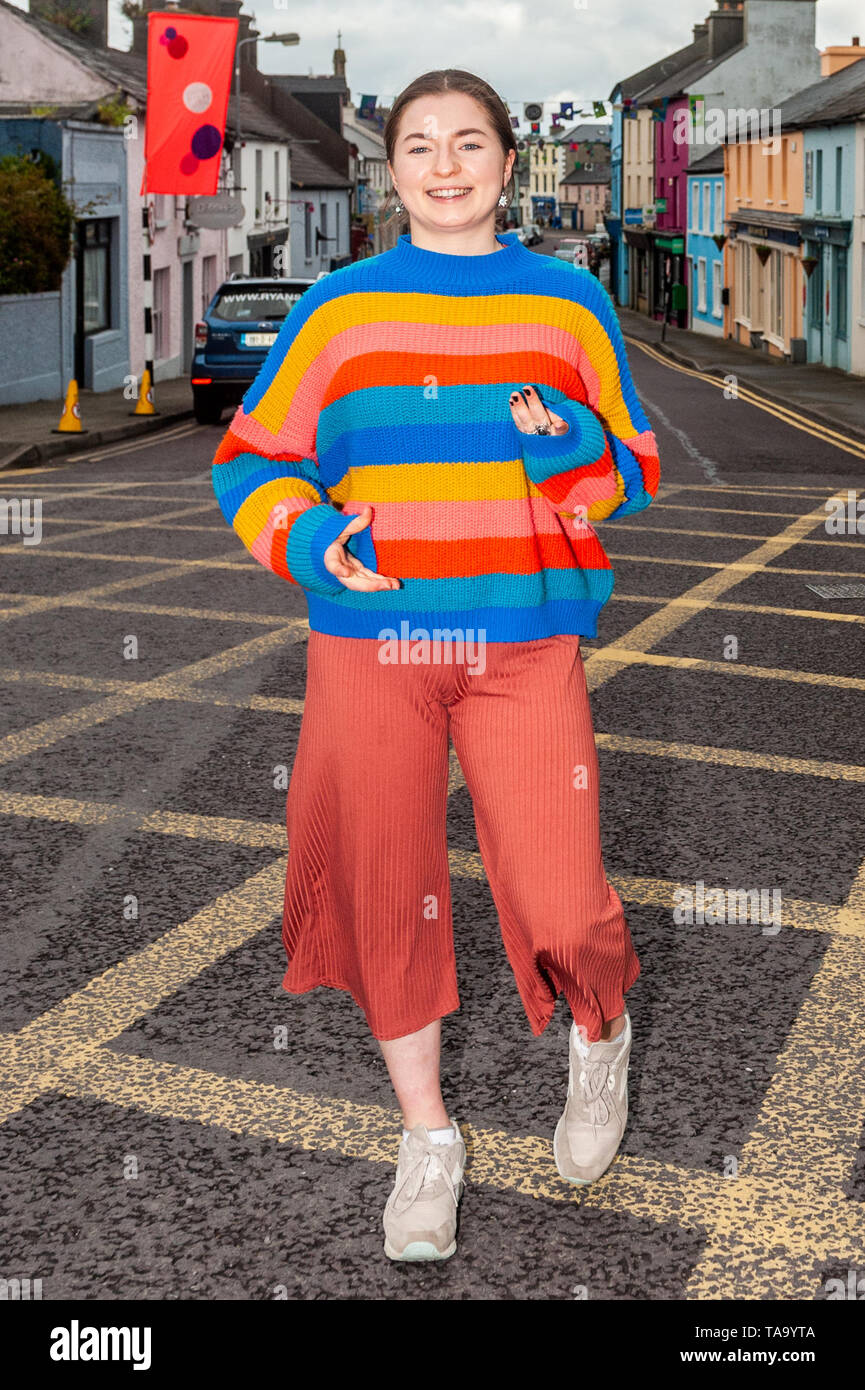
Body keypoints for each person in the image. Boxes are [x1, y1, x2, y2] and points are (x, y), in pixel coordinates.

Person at [211, 68, 660, 1264]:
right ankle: (428, 1139)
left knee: (564, 894)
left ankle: (598, 1036)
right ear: (391, 167)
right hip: (372, 648)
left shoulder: (568, 304)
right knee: (382, 885)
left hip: (522, 643)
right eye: (419, 146)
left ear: (509, 164)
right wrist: (309, 537)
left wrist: (563, 441)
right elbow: (250, 461)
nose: (445, 165)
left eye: (470, 143)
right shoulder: (340, 310)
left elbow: (622, 465)